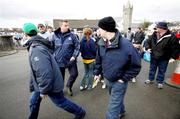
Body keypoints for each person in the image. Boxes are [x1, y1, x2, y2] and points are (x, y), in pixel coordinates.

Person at [22, 23, 86, 119]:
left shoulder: (36, 48)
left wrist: (44, 90)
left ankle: (80, 112)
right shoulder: (41, 42)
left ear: (25, 33)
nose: (67, 27)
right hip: (40, 82)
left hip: (47, 83)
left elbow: (44, 72)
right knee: (34, 101)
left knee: (60, 101)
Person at [93, 16, 141, 119]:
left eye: (99, 28)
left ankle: (116, 113)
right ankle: (122, 111)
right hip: (107, 79)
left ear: (105, 29)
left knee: (112, 110)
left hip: (119, 82)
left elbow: (136, 66)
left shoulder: (126, 45)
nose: (98, 30)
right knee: (116, 100)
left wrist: (123, 79)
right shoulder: (101, 43)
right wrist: (97, 73)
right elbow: (99, 60)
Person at [145, 22, 180, 89]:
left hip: (164, 57)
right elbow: (147, 41)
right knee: (152, 68)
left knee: (162, 70)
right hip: (154, 56)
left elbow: (176, 48)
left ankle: (160, 82)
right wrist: (147, 48)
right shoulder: (154, 34)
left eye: (157, 27)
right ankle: (150, 79)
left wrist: (173, 57)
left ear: (162, 28)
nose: (156, 28)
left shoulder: (171, 36)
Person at [50, 20, 80, 96]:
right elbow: (50, 47)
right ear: (61, 26)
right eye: (65, 25)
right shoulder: (54, 35)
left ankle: (69, 86)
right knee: (60, 78)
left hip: (70, 60)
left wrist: (74, 56)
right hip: (58, 60)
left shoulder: (72, 36)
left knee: (74, 74)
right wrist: (53, 56)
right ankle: (60, 90)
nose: (68, 27)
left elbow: (77, 46)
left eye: (68, 25)